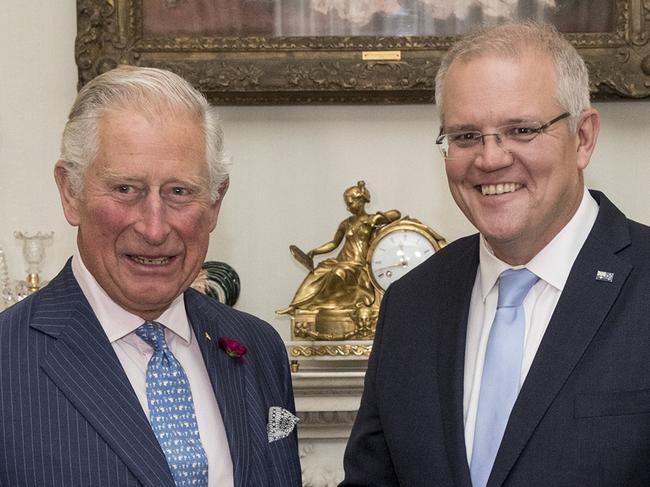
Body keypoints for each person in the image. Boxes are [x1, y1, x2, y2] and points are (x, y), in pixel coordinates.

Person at [342, 22, 650, 487]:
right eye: (466, 136)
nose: (489, 159)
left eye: (521, 129)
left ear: (583, 137)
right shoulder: (411, 302)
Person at [0, 66, 301, 486]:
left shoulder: (259, 348)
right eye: (126, 189)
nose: (154, 228)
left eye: (180, 191)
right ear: (70, 192)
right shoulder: (7, 360)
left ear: (215, 203)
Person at [280, 181, 400, 313]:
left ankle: (325, 304)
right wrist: (314, 252)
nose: (348, 208)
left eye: (350, 204)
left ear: (360, 201)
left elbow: (396, 214)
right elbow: (334, 243)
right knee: (318, 272)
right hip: (343, 261)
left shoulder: (370, 220)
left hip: (359, 264)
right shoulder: (346, 223)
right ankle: (296, 305)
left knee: (338, 273)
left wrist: (377, 218)